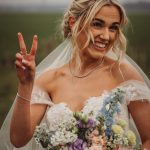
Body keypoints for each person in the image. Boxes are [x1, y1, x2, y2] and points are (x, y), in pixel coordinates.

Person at [0, 0, 150, 149]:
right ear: (73, 23)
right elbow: (18, 139)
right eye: (97, 24)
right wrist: (25, 85)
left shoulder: (124, 74)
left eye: (113, 28)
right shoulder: (50, 80)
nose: (106, 36)